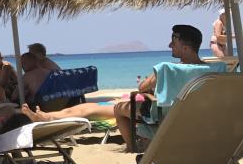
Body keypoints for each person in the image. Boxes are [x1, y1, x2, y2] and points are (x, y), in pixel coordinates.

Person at [20, 24, 206, 151]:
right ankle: (47, 116)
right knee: (95, 107)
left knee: (94, 108)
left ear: (185, 47)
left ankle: (132, 147)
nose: (169, 45)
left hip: (159, 114)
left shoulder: (167, 69)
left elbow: (142, 87)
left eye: (174, 41)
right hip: (192, 116)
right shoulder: (214, 70)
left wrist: (148, 87)